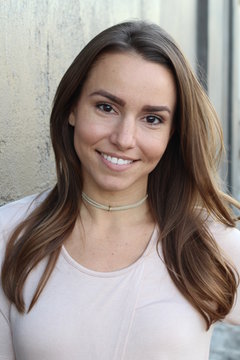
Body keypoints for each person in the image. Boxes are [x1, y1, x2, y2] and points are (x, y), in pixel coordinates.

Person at [0, 20, 240, 360]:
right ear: (72, 108)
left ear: (173, 132)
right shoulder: (9, 235)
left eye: (152, 119)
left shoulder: (210, 245)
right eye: (106, 107)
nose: (124, 139)